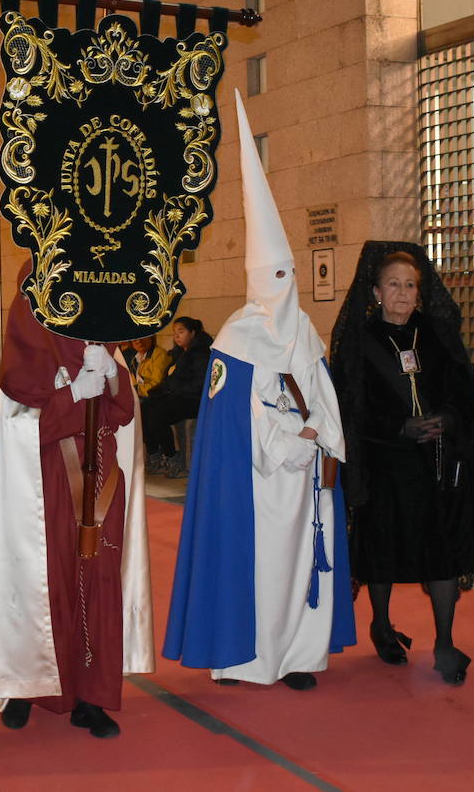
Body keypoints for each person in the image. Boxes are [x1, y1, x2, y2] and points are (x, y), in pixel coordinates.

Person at [166, 93, 355, 691]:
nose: (286, 286)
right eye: (275, 277)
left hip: (304, 483)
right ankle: (246, 659)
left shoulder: (304, 330)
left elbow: (324, 393)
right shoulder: (235, 340)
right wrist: (283, 442)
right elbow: (233, 423)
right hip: (258, 483)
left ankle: (299, 656)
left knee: (302, 566)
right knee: (259, 568)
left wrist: (317, 435)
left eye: (289, 274)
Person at [0, 262, 153, 738]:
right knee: (40, 586)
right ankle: (26, 687)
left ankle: (92, 695)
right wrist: (72, 395)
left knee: (98, 584)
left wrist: (112, 377)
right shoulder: (26, 355)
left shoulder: (101, 341)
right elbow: (23, 429)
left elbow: (124, 415)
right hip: (41, 494)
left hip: (101, 482)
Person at [330, 242, 474, 686]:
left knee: (442, 550)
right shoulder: (361, 341)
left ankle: (445, 643)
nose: (404, 293)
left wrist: (445, 419)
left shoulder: (436, 334)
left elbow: (464, 392)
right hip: (385, 464)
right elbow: (350, 408)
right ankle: (382, 625)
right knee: (383, 549)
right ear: (375, 291)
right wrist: (399, 428)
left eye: (411, 285)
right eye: (394, 284)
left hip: (439, 464)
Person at [141, 317, 213, 476]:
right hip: (177, 396)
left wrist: (173, 388)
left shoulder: (201, 353)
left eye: (181, 332)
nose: (177, 336)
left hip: (193, 400)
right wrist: (155, 392)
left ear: (192, 333)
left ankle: (173, 456)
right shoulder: (178, 353)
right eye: (174, 333)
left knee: (158, 413)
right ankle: (154, 453)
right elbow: (169, 380)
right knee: (143, 407)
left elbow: (199, 385)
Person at [124, 335, 170, 400]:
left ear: (151, 336)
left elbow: (156, 386)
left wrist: (135, 390)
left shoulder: (160, 355)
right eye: (135, 339)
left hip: (155, 401)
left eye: (142, 336)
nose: (139, 341)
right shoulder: (134, 358)